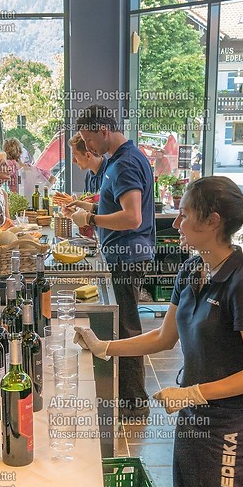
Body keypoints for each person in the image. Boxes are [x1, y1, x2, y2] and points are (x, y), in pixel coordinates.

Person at [74, 175, 243, 487]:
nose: (176, 223)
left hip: (232, 430)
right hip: (192, 422)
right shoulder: (192, 269)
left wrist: (193, 392)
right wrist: (103, 346)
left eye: (185, 214)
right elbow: (164, 337)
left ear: (212, 221)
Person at [66, 104, 156, 417]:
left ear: (103, 130)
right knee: (126, 325)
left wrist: (90, 216)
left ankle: (134, 403)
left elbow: (132, 217)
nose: (87, 147)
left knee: (128, 329)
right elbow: (116, 201)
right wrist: (88, 205)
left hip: (127, 256)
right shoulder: (123, 159)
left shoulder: (125, 163)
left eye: (88, 140)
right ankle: (130, 398)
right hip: (127, 255)